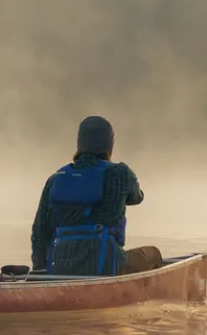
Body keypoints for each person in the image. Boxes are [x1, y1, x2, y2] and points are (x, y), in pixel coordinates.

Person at [30, 115, 159, 276]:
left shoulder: (56, 179)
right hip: (104, 265)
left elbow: (39, 231)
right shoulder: (119, 173)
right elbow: (137, 197)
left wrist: (39, 269)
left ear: (80, 143)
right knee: (152, 254)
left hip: (60, 266)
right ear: (109, 144)